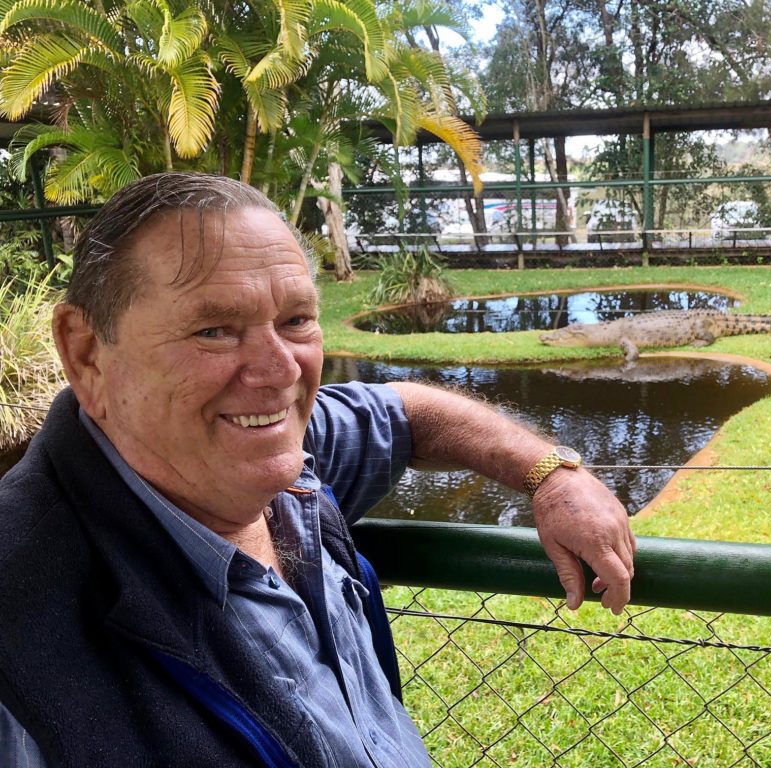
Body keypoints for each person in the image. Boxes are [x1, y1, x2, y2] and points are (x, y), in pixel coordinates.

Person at [0, 173, 636, 767]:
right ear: (86, 354)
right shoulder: (24, 625)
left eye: (296, 320)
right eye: (215, 330)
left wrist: (552, 474)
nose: (280, 372)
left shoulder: (270, 450)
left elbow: (407, 413)